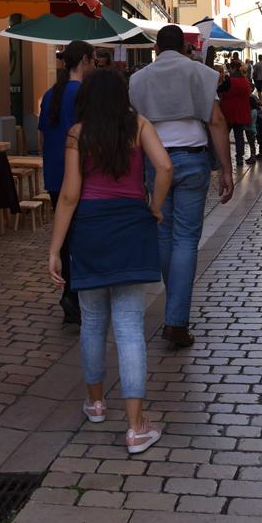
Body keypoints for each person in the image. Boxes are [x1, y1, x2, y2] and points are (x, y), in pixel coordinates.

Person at [48, 69, 172, 455]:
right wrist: (154, 206)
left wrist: (55, 248)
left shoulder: (78, 134)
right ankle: (136, 427)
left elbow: (69, 195)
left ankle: (96, 403)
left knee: (93, 321)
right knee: (131, 328)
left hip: (90, 231)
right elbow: (166, 167)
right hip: (131, 227)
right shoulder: (138, 125)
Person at [129, 25, 234, 348]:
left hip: (154, 161)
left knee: (163, 233)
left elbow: (133, 129)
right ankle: (176, 321)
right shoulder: (200, 74)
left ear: (157, 48)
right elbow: (216, 121)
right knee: (186, 240)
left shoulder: (138, 79)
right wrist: (227, 170)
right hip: (192, 160)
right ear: (186, 47)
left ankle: (174, 311)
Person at [38, 41, 96, 325]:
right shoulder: (86, 94)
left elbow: (42, 136)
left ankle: (69, 291)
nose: (95, 65)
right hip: (79, 174)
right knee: (81, 236)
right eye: (93, 60)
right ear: (84, 60)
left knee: (64, 235)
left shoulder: (51, 94)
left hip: (54, 172)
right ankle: (76, 294)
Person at [219, 60, 251, 165]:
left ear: (233, 69)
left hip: (228, 112)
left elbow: (219, 89)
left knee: (224, 135)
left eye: (230, 69)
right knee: (239, 136)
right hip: (241, 112)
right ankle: (239, 158)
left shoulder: (230, 80)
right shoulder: (245, 80)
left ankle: (222, 158)